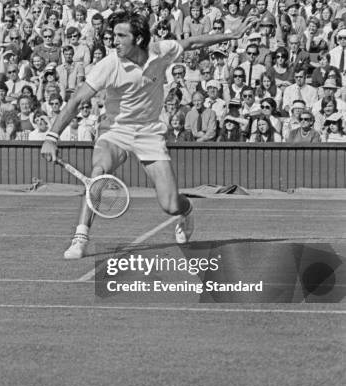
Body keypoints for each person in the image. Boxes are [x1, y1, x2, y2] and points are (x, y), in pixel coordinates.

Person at [41, 11, 258, 259]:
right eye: (113, 36)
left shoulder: (161, 51)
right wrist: (52, 136)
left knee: (170, 205)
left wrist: (233, 35)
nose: (114, 41)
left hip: (149, 133)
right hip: (115, 131)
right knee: (98, 174)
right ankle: (80, 238)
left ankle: (187, 212)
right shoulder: (108, 65)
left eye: (122, 36)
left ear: (140, 39)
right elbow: (77, 99)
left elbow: (193, 42)